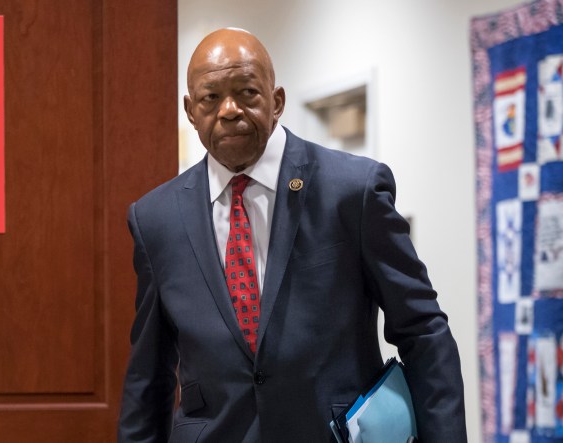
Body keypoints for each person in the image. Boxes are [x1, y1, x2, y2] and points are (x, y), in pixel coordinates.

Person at [118, 28, 467, 443]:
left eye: (247, 92)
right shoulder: (157, 219)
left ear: (277, 101)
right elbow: (148, 375)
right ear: (191, 111)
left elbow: (423, 331)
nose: (228, 110)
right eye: (210, 98)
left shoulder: (352, 191)